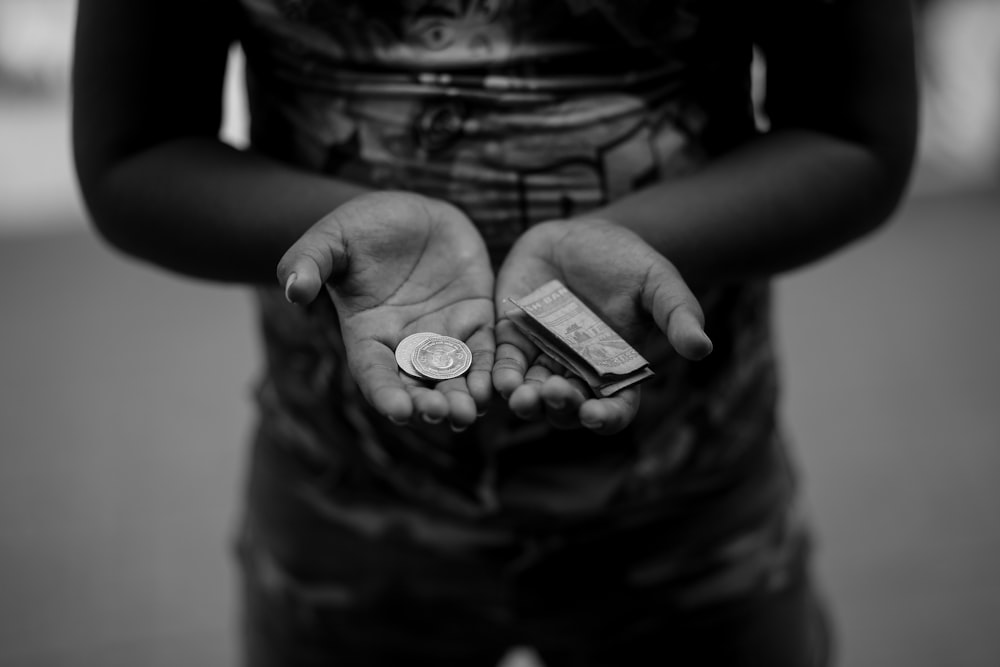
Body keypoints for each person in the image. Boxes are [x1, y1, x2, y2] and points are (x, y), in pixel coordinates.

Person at [72, 0, 917, 665]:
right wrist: (338, 228)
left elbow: (855, 136)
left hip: (690, 496)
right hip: (347, 495)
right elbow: (134, 154)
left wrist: (657, 239)